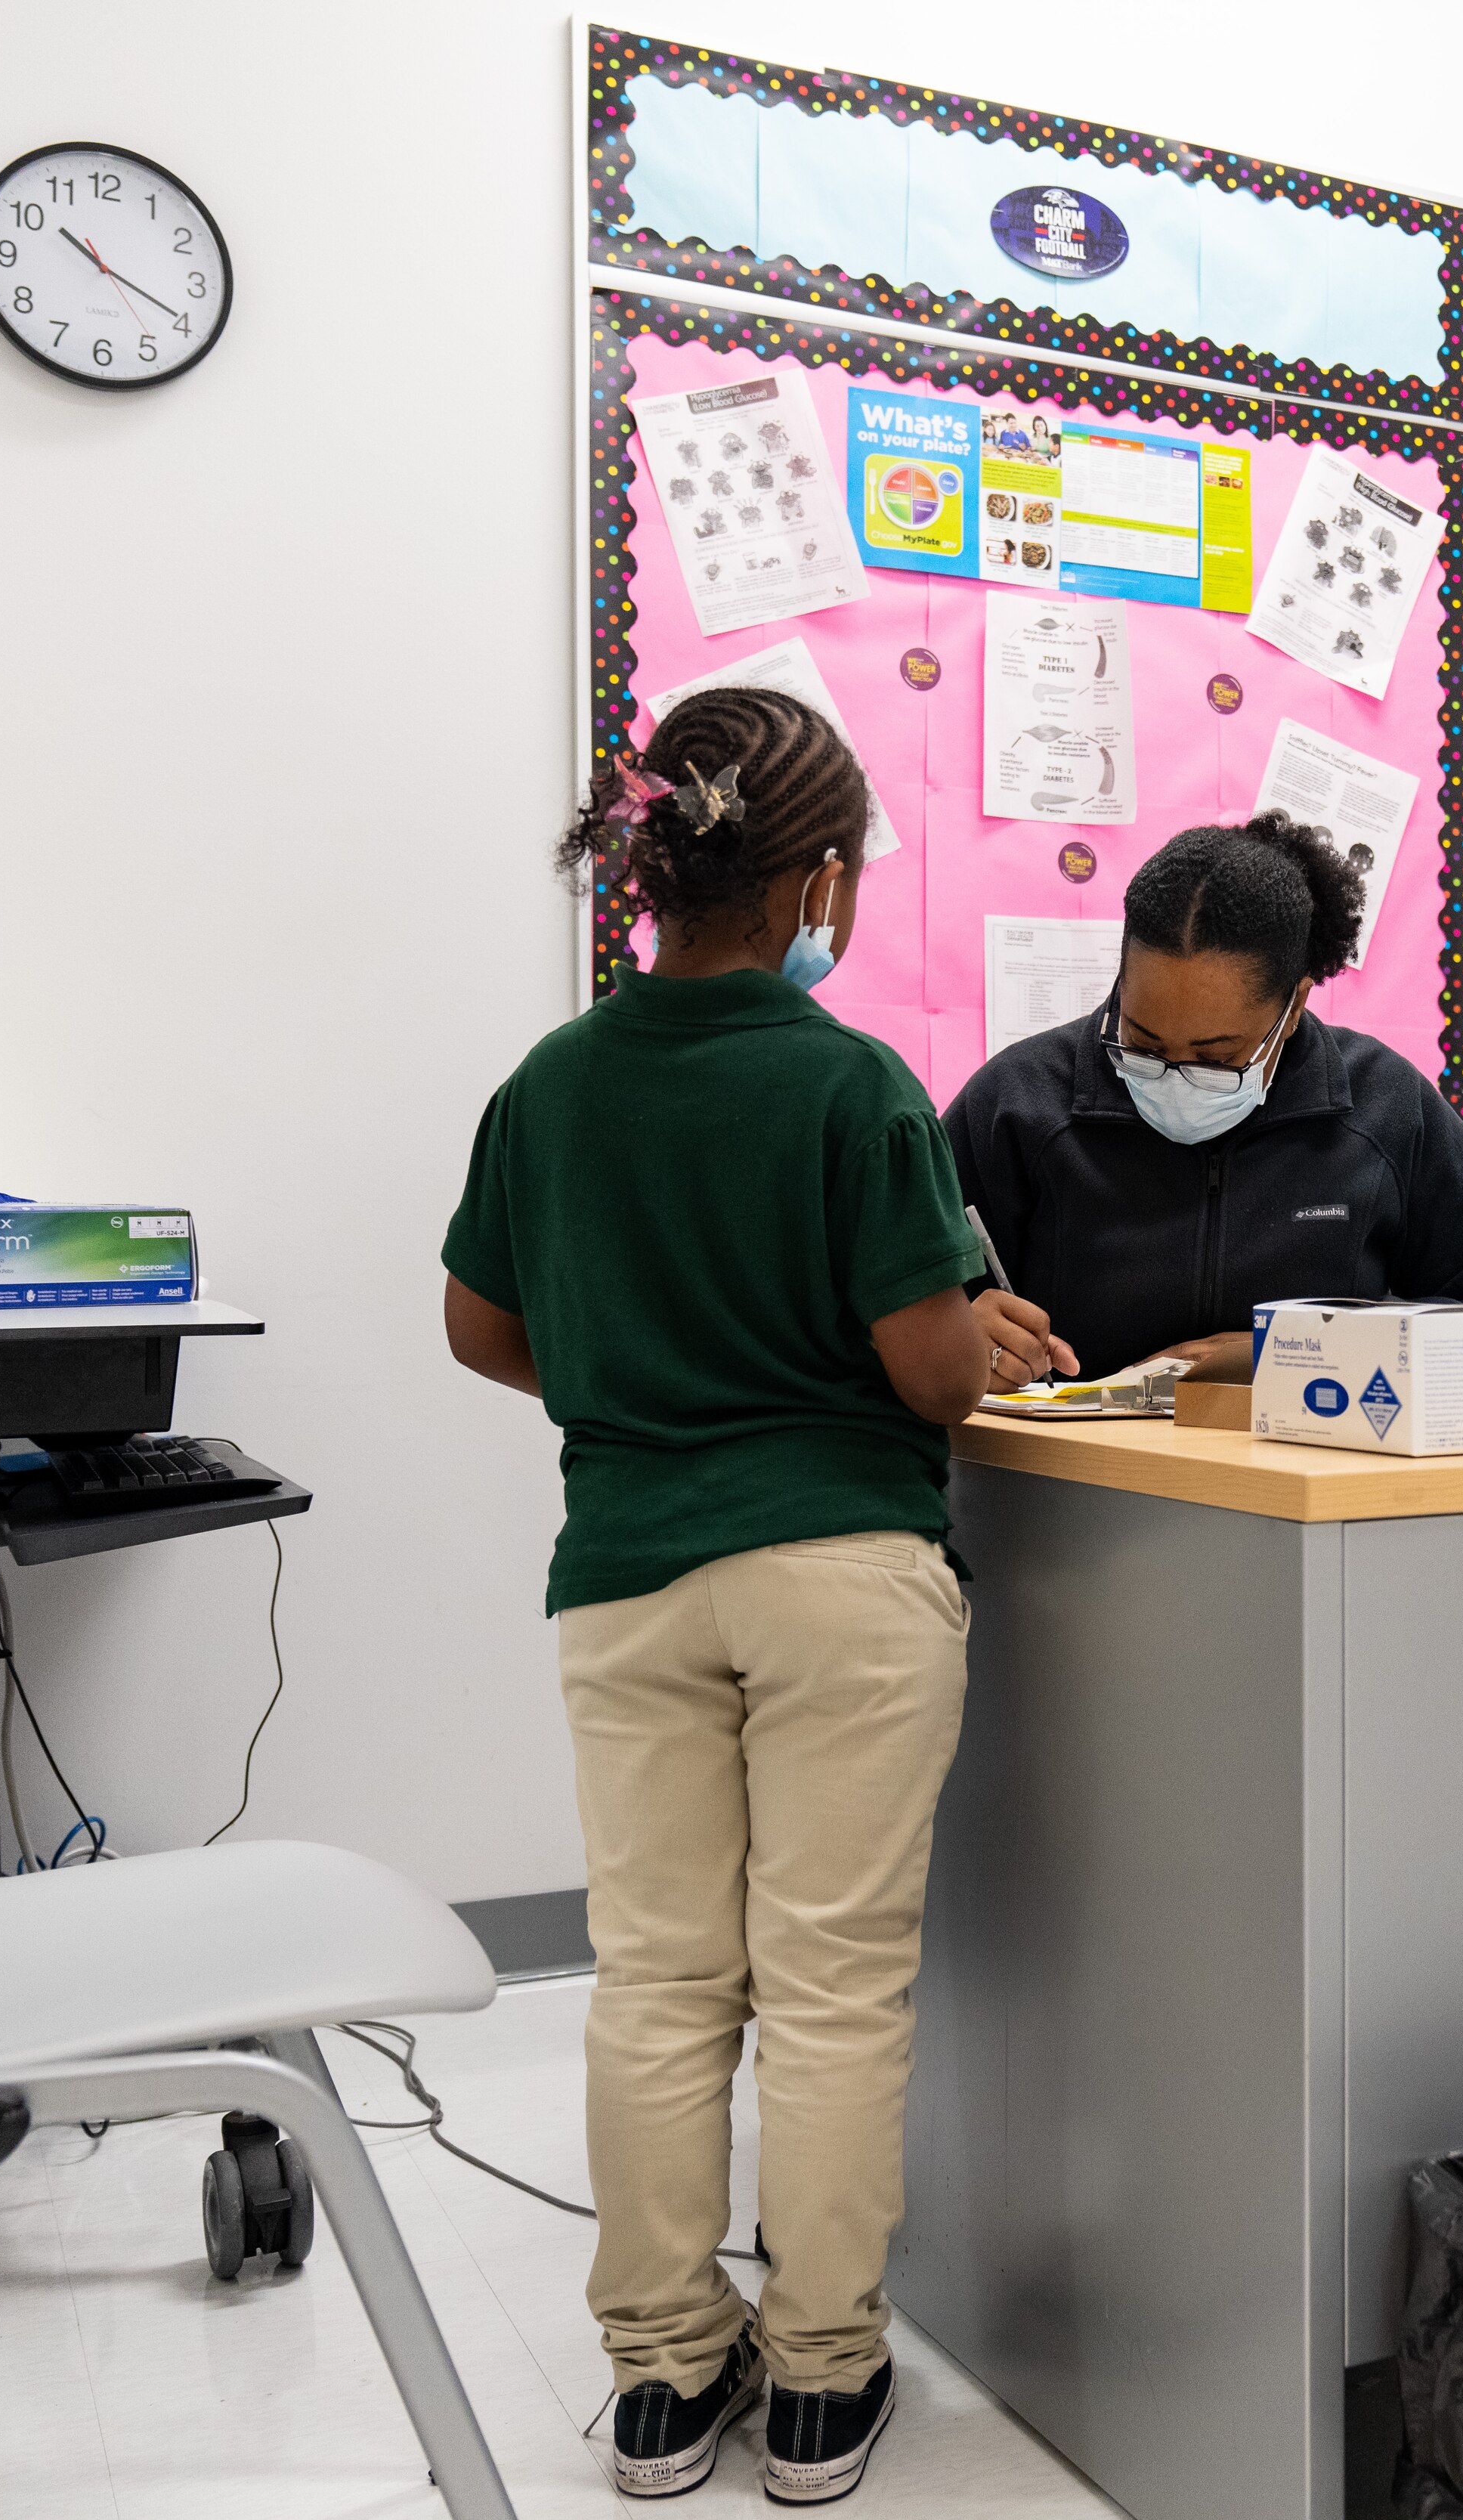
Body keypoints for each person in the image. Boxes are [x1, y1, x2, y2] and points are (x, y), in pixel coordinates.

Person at [440, 686, 991, 2505]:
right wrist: (972, 1333)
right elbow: (926, 1371)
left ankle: (665, 2383)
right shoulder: (850, 1082)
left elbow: (480, 1325)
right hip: (840, 1572)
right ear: (817, 876)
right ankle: (823, 2387)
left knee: (659, 1983)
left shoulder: (553, 1079)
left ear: (653, 861)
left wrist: (642, 1374)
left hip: (626, 1580)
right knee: (831, 1988)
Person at [945, 809, 1463, 1382]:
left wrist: (1302, 1350)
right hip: (1066, 1482)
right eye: (1144, 1043)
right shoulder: (1016, 1106)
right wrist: (962, 1340)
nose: (1174, 1077)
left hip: (1312, 1476)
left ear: (1293, 1009)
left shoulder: (1383, 1108)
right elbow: (889, 1313)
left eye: (1217, 1058)